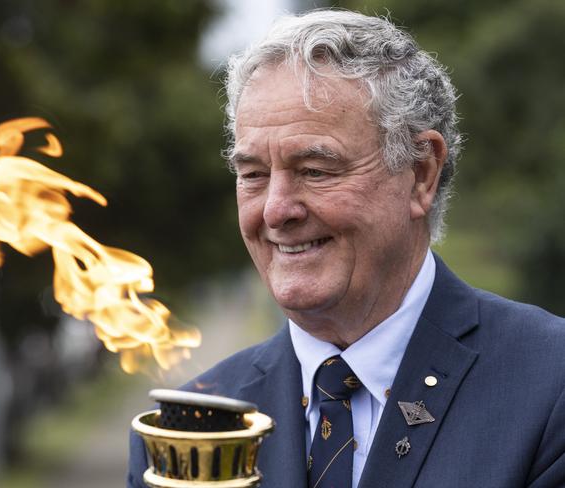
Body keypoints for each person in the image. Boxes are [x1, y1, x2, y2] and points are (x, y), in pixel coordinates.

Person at [128, 9, 565, 488]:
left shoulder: (548, 386)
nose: (275, 211)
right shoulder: (187, 430)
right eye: (253, 174)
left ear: (421, 174)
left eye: (315, 170)